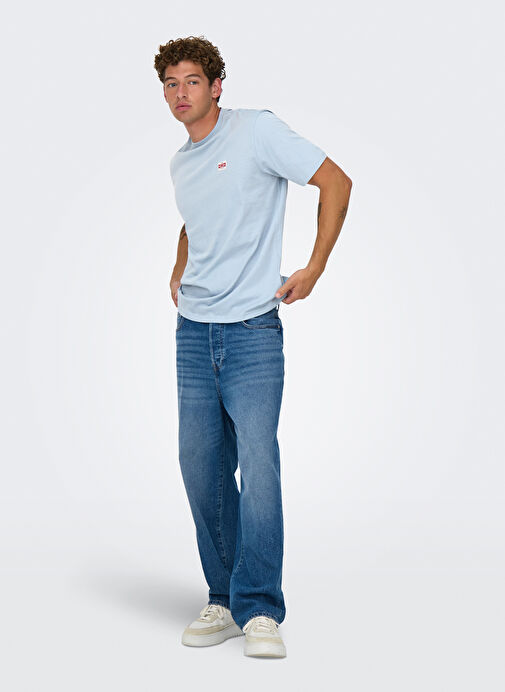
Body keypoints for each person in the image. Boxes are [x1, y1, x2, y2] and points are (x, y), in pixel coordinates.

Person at [153, 35, 352, 659]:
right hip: (194, 333)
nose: (180, 93)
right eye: (170, 84)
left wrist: (314, 267)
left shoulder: (256, 131)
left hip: (252, 332)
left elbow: (335, 181)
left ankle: (260, 607)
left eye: (192, 81)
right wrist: (178, 269)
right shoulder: (182, 162)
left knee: (258, 467)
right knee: (200, 466)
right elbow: (195, 221)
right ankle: (224, 597)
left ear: (216, 86)